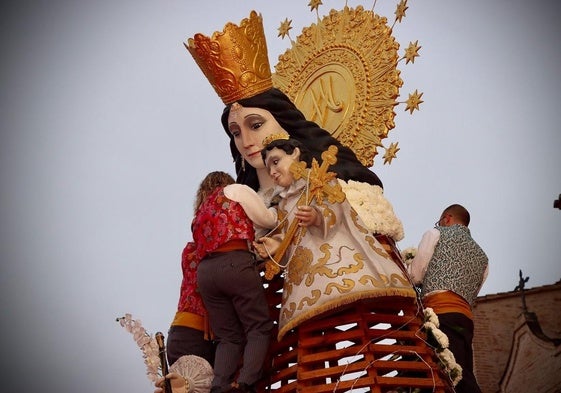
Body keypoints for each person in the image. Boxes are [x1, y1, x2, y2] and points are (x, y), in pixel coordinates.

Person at [252, 135, 415, 340]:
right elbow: (289, 237)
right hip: (305, 282)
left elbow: (337, 211)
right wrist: (276, 244)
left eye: (276, 162)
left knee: (360, 320)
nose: (273, 172)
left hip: (336, 263)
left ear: (294, 154)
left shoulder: (321, 181)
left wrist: (317, 217)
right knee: (317, 332)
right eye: (269, 169)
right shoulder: (283, 204)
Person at [188, 171, 276, 393]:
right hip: (235, 262)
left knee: (228, 337)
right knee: (258, 326)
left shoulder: (199, 214)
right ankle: (245, 383)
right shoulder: (235, 191)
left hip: (206, 274)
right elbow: (266, 219)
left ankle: (219, 386)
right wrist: (275, 208)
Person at [409, 204, 489, 393]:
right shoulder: (483, 258)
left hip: (440, 315)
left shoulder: (435, 234)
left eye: (441, 221)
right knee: (462, 368)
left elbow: (415, 275)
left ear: (447, 218)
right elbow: (473, 293)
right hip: (465, 319)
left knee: (448, 374)